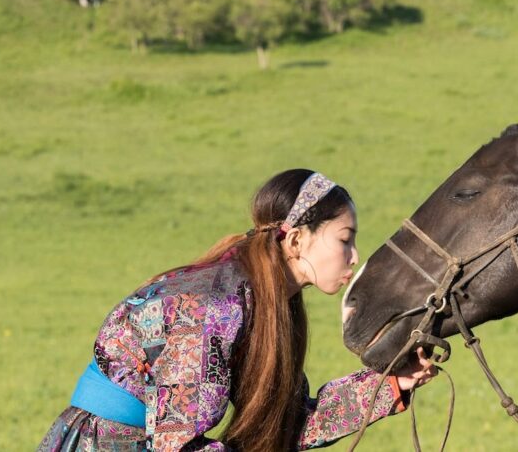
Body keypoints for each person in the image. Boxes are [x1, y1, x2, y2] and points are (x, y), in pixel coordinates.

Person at [38, 169, 437, 451]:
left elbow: (287, 423)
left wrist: (389, 385)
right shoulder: (214, 308)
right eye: (344, 240)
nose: (354, 256)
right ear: (296, 240)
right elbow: (179, 445)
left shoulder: (268, 305)